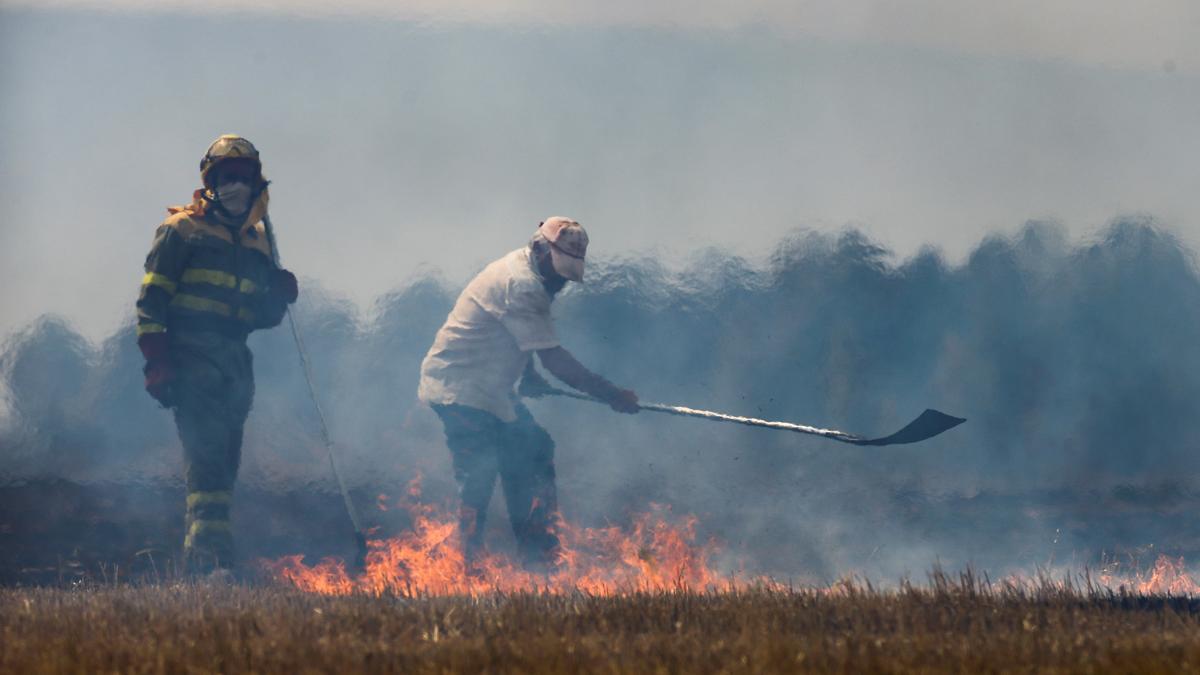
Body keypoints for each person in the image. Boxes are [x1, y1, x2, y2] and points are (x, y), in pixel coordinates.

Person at [418, 217, 639, 572]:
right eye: (557, 271)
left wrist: (528, 375)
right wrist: (611, 394)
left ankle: (537, 559)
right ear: (540, 248)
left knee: (534, 449)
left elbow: (516, 338)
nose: (560, 282)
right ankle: (465, 568)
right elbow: (555, 359)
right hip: (458, 388)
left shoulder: (528, 272)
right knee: (478, 472)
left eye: (566, 275)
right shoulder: (522, 285)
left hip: (492, 391)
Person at [135, 134, 298, 574]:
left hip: (234, 365)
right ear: (210, 181)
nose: (235, 187)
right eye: (226, 178)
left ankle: (206, 562)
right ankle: (211, 565)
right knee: (205, 466)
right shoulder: (181, 231)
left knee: (223, 469)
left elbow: (257, 317)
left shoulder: (256, 241)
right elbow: (151, 305)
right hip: (191, 358)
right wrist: (158, 362)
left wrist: (279, 297)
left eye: (243, 179)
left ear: (256, 184)